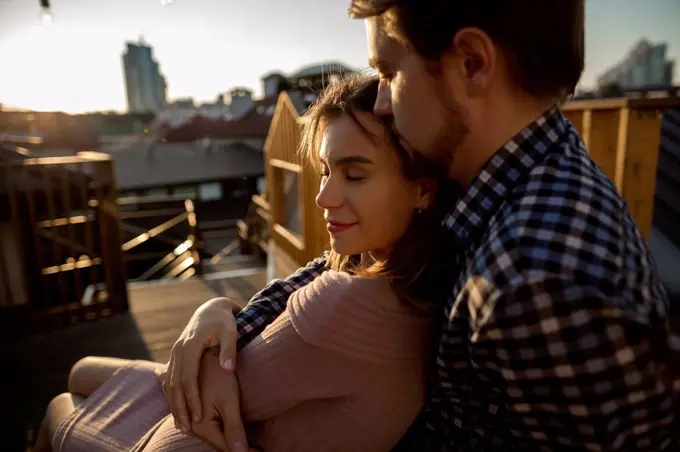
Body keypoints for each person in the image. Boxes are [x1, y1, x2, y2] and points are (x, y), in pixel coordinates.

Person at [165, 1, 680, 451]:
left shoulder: (534, 275)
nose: (383, 100)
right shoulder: (500, 171)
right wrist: (227, 316)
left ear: (472, 64)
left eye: (389, 72)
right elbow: (336, 263)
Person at [36, 75, 456, 452]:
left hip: (185, 435)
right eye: (326, 171)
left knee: (60, 404)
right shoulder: (409, 284)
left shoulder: (348, 303)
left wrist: (213, 346)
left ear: (423, 190)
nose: (323, 197)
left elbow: (202, 400)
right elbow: (298, 290)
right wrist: (215, 308)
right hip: (232, 408)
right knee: (82, 371)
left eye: (355, 176)